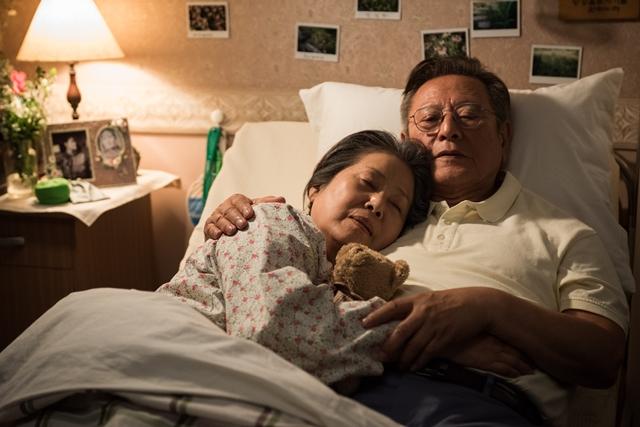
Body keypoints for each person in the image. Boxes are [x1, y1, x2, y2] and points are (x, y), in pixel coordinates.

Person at [202, 56, 629, 426]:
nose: (448, 131)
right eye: (430, 119)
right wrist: (238, 218)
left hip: (472, 403)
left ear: (504, 135)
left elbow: (603, 357)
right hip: (331, 387)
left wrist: (488, 308)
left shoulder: (565, 233)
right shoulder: (376, 221)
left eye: (470, 115)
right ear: (408, 141)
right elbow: (280, 291)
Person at [157, 130, 433, 387]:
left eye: (396, 205)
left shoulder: (341, 283)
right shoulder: (272, 219)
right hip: (165, 352)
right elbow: (272, 335)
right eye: (367, 183)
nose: (377, 204)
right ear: (316, 188)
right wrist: (412, 329)